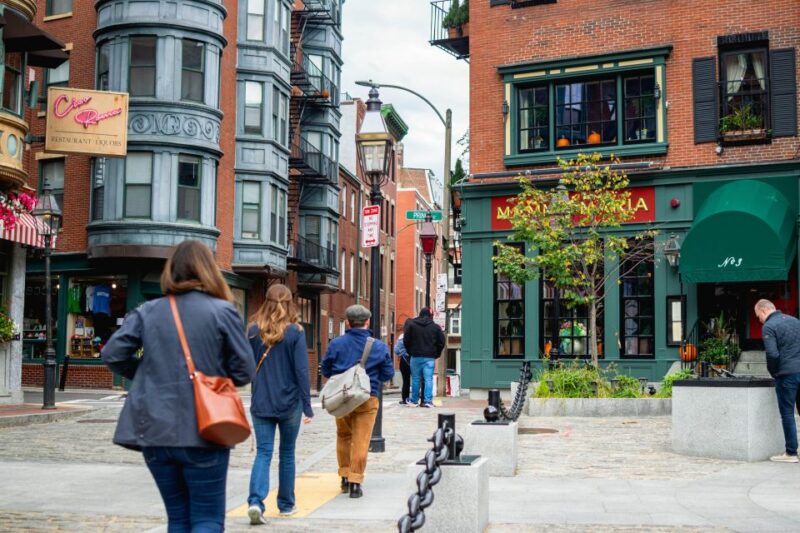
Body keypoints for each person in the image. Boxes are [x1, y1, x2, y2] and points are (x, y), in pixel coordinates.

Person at [101, 240, 255, 532]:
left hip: (156, 433)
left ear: (170, 271)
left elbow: (113, 354)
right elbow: (244, 371)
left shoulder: (148, 311)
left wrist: (147, 374)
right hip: (207, 429)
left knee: (178, 518)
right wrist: (213, 375)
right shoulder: (223, 311)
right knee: (207, 519)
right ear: (209, 270)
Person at [246, 284, 313, 525]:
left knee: (263, 452)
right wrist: (307, 405)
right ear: (289, 303)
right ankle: (286, 505)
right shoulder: (296, 332)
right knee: (287, 453)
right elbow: (302, 371)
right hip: (289, 402)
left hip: (261, 400)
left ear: (266, 301)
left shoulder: (253, 330)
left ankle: (255, 501)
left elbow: (245, 365)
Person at [321, 305, 394, 498]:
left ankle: (344, 476)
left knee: (343, 436)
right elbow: (388, 373)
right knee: (361, 440)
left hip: (342, 398)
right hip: (367, 398)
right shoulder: (378, 346)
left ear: (347, 322)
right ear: (367, 322)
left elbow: (326, 369)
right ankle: (355, 482)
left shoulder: (336, 344)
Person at [755, 299, 800, 463]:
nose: (759, 320)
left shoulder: (769, 326)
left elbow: (772, 354)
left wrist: (774, 372)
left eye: (758, 316)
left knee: (787, 413)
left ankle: (791, 453)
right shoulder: (795, 321)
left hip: (787, 374)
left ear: (763, 311)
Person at [403, 308, 445, 408]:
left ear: (420, 314)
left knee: (415, 379)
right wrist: (436, 354)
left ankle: (414, 401)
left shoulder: (412, 325)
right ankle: (428, 401)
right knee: (428, 379)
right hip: (429, 357)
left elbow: (406, 340)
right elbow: (441, 342)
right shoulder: (435, 327)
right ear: (430, 316)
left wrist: (410, 351)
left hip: (415, 356)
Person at [394, 333, 412, 405]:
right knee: (416, 380)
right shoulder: (416, 334)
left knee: (406, 380)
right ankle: (416, 399)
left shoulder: (402, 336)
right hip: (415, 358)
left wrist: (402, 353)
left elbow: (396, 350)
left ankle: (405, 399)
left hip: (404, 360)